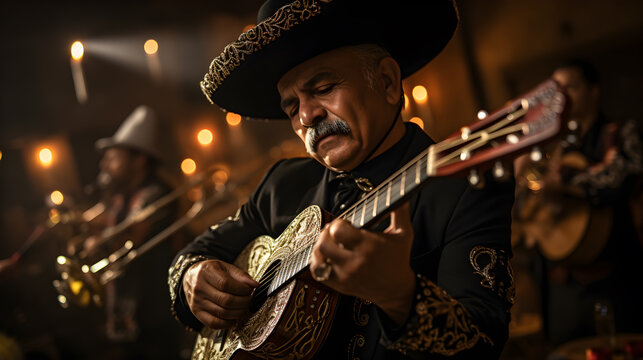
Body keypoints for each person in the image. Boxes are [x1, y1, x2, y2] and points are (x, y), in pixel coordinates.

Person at [169, 1, 515, 359]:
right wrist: (192, 276)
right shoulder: (281, 185)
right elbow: (197, 252)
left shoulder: (463, 186)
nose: (307, 115)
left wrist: (402, 297)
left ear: (387, 82)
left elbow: (482, 343)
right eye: (292, 107)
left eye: (323, 87)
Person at [515, 59, 643, 346]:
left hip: (615, 282)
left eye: (571, 87)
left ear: (594, 91)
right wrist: (523, 175)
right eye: (556, 90)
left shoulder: (620, 131)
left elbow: (625, 176)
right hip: (564, 288)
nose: (562, 97)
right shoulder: (553, 148)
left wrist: (565, 182)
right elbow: (525, 209)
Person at [64, 105, 185, 359]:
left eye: (113, 157)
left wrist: (97, 240)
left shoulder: (156, 192)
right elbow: (103, 225)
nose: (104, 163)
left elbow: (130, 236)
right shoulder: (119, 196)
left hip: (151, 311)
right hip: (124, 309)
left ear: (139, 159)